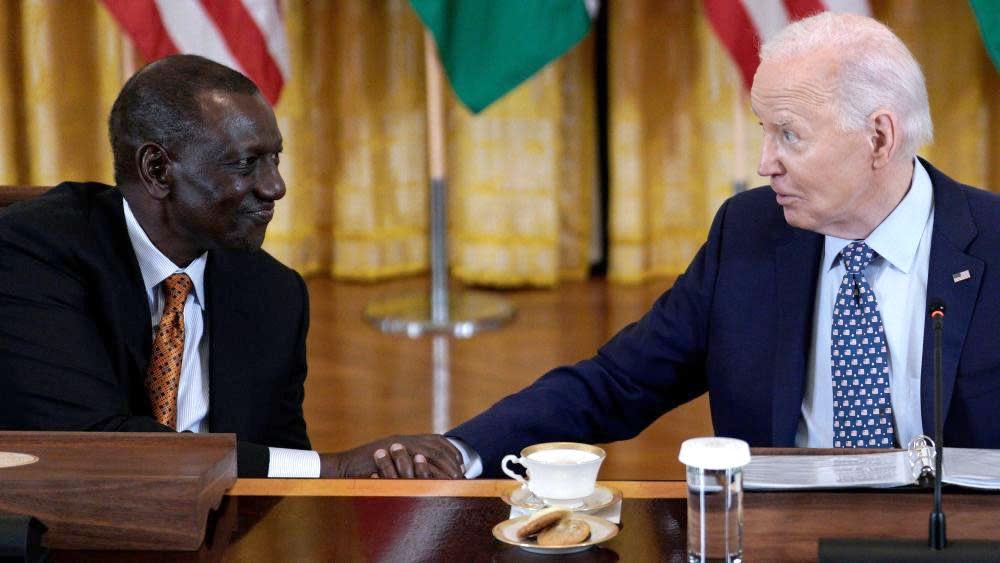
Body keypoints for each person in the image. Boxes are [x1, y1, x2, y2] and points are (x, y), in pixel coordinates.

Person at [442, 12, 1000, 477]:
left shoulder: (992, 243)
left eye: (789, 135)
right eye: (762, 128)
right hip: (775, 541)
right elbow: (619, 381)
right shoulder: (749, 231)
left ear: (879, 137)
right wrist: (457, 451)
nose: (765, 164)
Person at [0, 54, 462, 479]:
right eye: (246, 164)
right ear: (158, 170)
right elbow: (96, 445)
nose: (276, 187)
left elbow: (281, 462)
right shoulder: (31, 255)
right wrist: (336, 466)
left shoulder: (273, 293)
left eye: (275, 159)